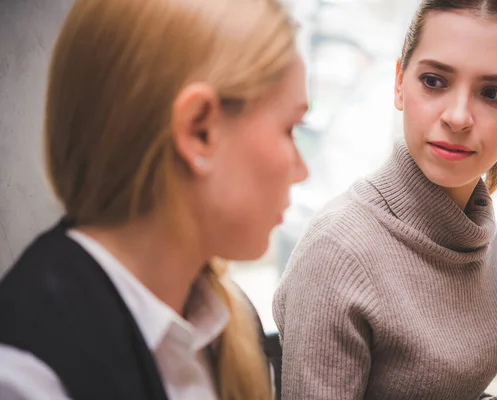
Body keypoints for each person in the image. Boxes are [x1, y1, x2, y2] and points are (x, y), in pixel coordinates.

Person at [0, 0, 308, 399]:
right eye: (290, 128)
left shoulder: (226, 321)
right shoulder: (27, 371)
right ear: (199, 131)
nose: (302, 170)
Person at [273, 0, 497, 398]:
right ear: (400, 81)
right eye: (435, 81)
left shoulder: (488, 240)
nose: (457, 116)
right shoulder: (339, 251)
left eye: (492, 93)